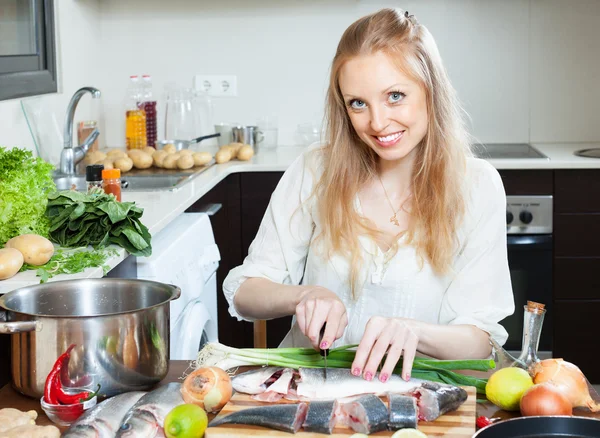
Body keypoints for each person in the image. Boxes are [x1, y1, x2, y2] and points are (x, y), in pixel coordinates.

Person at [223, 8, 514, 383]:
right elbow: (246, 291)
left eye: (395, 96)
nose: (377, 123)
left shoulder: (477, 186)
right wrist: (303, 295)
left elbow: (480, 342)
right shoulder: (316, 169)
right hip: (308, 392)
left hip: (417, 398)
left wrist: (416, 332)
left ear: (431, 91)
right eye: (357, 103)